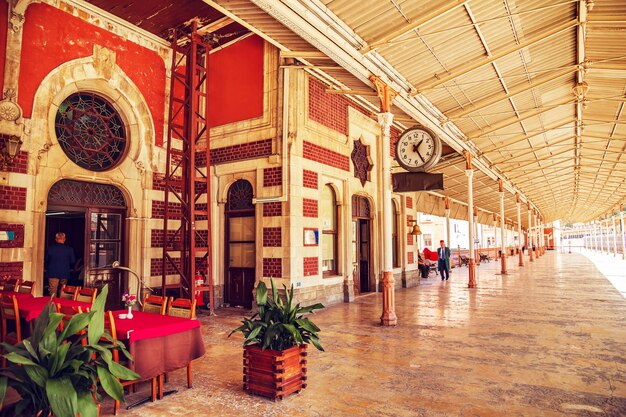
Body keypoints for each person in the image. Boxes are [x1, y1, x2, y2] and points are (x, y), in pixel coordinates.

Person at [45, 232, 76, 297]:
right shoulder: (69, 249)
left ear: (56, 239)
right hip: (64, 272)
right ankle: (60, 305)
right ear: (64, 239)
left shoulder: (50, 249)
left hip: (52, 273)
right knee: (62, 291)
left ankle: (53, 306)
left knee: (53, 291)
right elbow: (72, 261)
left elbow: (46, 260)